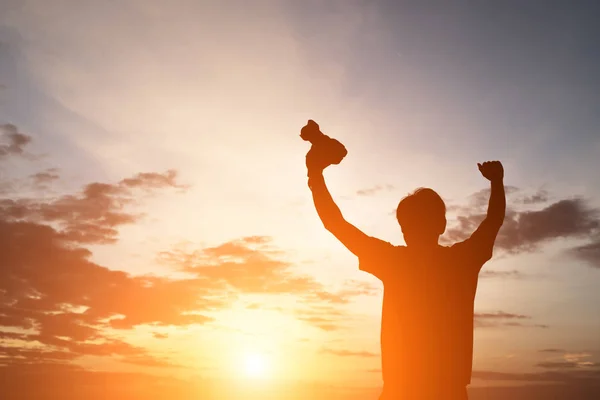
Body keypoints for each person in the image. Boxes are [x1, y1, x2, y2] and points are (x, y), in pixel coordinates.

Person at [306, 144, 506, 399]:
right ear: (442, 224)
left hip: (400, 388)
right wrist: (497, 182)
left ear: (403, 228)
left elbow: (335, 224)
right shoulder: (462, 260)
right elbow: (493, 220)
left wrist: (315, 175)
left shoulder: (394, 261)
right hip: (448, 390)